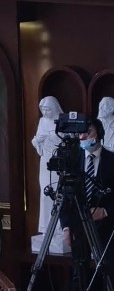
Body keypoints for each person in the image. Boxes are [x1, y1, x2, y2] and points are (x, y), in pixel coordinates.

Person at [60, 118, 114, 291]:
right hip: (79, 225)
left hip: (105, 225)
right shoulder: (72, 160)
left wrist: (106, 211)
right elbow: (64, 195)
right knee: (78, 271)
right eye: (80, 133)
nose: (83, 137)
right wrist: (66, 227)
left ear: (98, 133)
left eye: (87, 132)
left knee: (109, 269)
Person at [31, 96, 64, 235]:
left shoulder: (62, 119)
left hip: (59, 159)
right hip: (45, 159)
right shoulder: (42, 121)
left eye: (48, 109)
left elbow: (66, 138)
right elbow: (37, 138)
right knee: (45, 192)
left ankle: (61, 227)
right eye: (43, 110)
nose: (45, 113)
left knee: (59, 192)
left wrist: (51, 138)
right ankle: (46, 227)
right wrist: (37, 140)